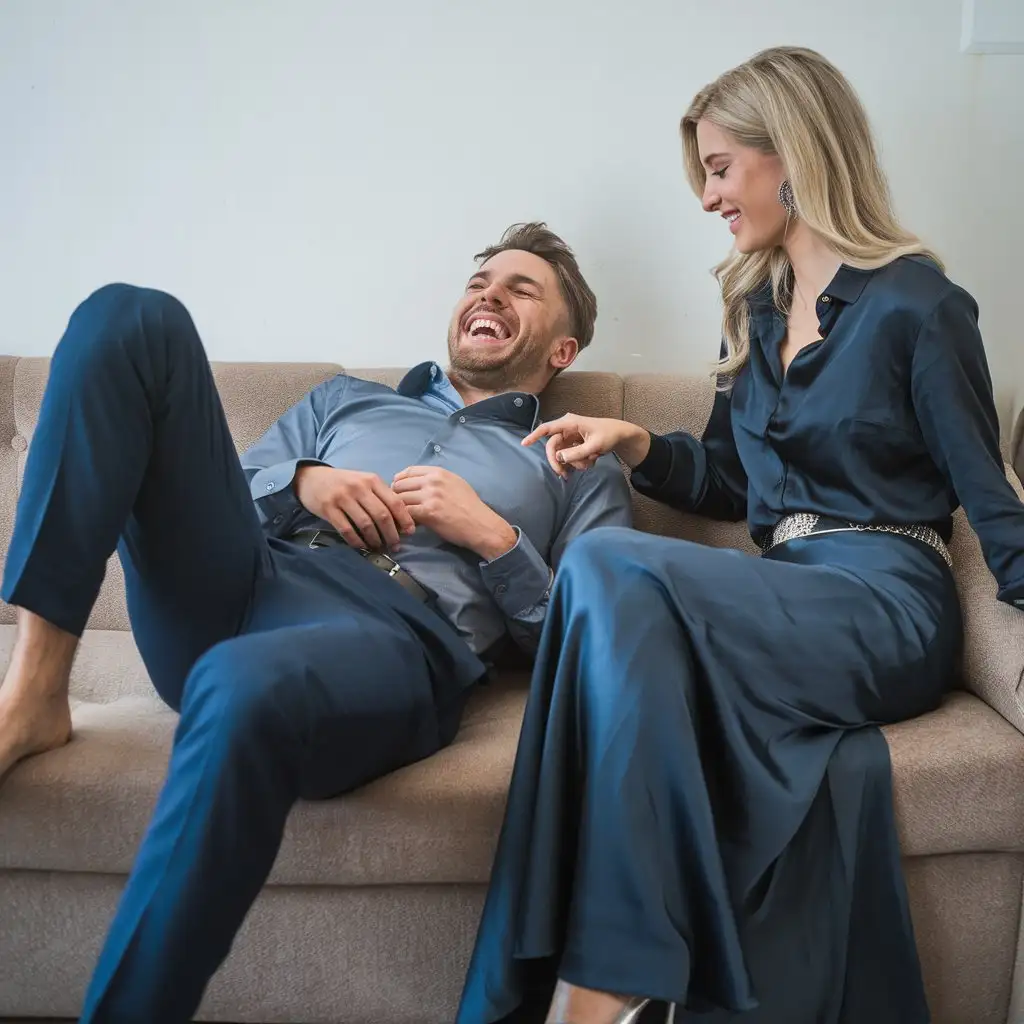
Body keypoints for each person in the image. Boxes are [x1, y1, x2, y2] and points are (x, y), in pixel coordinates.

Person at [456, 48, 1024, 1024]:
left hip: (888, 597)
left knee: (601, 564)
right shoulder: (754, 315)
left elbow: (993, 499)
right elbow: (726, 483)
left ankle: (591, 984)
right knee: (601, 576)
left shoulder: (919, 307)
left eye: (720, 167)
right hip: (788, 587)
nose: (710, 195)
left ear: (790, 152)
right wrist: (635, 444)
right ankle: (595, 978)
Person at [0, 222, 632, 1023]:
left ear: (563, 350)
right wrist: (303, 480)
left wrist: (496, 539)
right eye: (480, 281)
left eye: (521, 288)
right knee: (129, 315)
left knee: (240, 681)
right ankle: (37, 687)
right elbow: (221, 484)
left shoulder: (579, 463)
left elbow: (594, 643)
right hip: (252, 574)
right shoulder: (343, 399)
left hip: (391, 632)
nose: (489, 293)